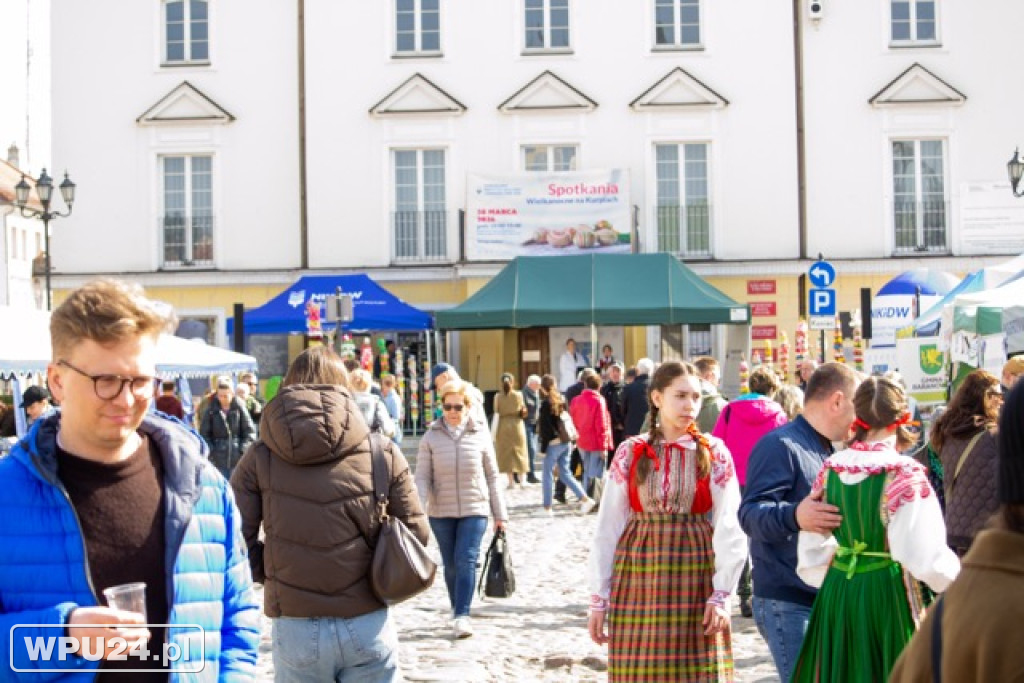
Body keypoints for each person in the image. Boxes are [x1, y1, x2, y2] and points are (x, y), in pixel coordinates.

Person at [0, 279, 259, 677]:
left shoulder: (202, 486)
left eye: (140, 381)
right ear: (56, 381)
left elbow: (237, 626)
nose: (125, 399)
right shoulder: (7, 493)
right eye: (105, 381)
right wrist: (62, 635)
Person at [231, 346, 428, 682]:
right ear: (344, 385)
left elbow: (234, 537)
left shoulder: (260, 455)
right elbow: (416, 532)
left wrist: (273, 571)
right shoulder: (381, 451)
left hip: (295, 620)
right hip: (367, 616)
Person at [789, 376, 960, 682]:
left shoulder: (832, 468)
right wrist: (957, 583)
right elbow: (924, 556)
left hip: (839, 588)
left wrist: (828, 572)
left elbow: (814, 542)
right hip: (887, 591)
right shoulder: (904, 473)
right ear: (899, 420)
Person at [587, 360, 746, 681]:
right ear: (658, 398)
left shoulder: (714, 451)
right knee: (641, 671)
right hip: (638, 577)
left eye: (697, 397)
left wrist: (722, 593)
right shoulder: (631, 452)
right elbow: (608, 527)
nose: (690, 405)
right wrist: (599, 598)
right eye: (681, 395)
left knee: (696, 670)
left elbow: (730, 523)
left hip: (695, 575)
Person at [890, 379, 1024, 682]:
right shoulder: (988, 436)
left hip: (961, 535)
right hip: (977, 531)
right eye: (994, 395)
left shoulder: (946, 434)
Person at [738, 362, 860, 681]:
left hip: (818, 597)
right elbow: (749, 514)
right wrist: (795, 516)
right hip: (786, 600)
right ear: (836, 401)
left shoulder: (824, 448)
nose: (858, 419)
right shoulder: (780, 445)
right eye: (855, 407)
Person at [415, 379, 508, 639]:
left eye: (458, 406)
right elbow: (422, 477)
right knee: (451, 564)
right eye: (448, 406)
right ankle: (457, 607)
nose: (453, 411)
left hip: (474, 508)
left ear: (468, 406)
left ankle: (462, 615)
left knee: (466, 558)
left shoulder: (480, 434)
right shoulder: (430, 437)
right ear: (441, 407)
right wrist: (418, 511)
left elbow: (492, 476)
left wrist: (500, 514)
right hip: (441, 512)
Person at [712, 366, 788, 618]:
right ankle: (759, 591)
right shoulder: (777, 413)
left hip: (734, 479)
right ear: (773, 389)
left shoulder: (730, 410)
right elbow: (783, 445)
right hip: (765, 479)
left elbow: (716, 444)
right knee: (761, 533)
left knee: (737, 534)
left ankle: (743, 592)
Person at [929, 369, 1002, 557]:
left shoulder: (947, 433)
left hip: (955, 528)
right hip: (985, 528)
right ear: (984, 397)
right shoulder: (993, 435)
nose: (1001, 400)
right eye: (997, 395)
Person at [538, 374, 595, 515]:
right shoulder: (561, 399)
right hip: (566, 441)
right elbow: (568, 420)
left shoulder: (546, 403)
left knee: (547, 474)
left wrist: (543, 448)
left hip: (553, 443)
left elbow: (546, 428)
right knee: (564, 473)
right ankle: (585, 498)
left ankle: (547, 507)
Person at [199, 377, 257, 479]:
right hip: (218, 461)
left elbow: (250, 432)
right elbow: (204, 434)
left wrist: (242, 450)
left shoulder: (240, 409)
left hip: (237, 460)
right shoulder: (211, 410)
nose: (222, 399)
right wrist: (212, 452)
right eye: (220, 396)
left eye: (225, 396)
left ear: (232, 394)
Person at [569, 370, 613, 495]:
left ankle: (585, 497)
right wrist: (604, 446)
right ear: (599, 386)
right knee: (596, 472)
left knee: (587, 470)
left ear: (585, 385)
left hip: (581, 440)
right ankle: (594, 498)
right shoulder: (599, 400)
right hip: (596, 441)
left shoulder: (576, 400)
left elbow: (573, 421)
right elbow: (602, 425)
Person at [493, 372, 529, 487]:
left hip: (503, 425)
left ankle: (511, 482)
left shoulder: (497, 396)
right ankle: (522, 480)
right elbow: (522, 409)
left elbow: (496, 410)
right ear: (513, 382)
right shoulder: (518, 395)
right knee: (520, 452)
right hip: (517, 424)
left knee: (506, 453)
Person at [430, 362, 488, 430]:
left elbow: (468, 426)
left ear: (444, 377)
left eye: (436, 385)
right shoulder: (468, 391)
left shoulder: (466, 393)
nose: (438, 390)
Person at [350, 368, 396, 439]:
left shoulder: (347, 402)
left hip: (351, 444)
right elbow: (389, 430)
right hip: (372, 444)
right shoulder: (376, 403)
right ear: (369, 385)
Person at [620, 357, 654, 437]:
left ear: (637, 371)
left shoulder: (629, 388)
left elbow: (623, 410)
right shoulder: (657, 387)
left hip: (632, 430)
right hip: (652, 430)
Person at [695, 356, 728, 433]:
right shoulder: (723, 406)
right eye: (718, 380)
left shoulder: (679, 402)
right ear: (710, 376)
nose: (718, 384)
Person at [600, 363, 626, 450]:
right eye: (613, 371)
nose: (615, 374)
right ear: (609, 374)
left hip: (623, 429)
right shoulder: (605, 389)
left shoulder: (626, 388)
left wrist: (621, 422)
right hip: (609, 428)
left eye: (618, 371)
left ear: (622, 373)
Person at [522, 374, 542, 484]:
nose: (539, 386)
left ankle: (530, 473)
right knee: (530, 449)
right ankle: (530, 474)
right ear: (532, 384)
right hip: (527, 424)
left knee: (532, 450)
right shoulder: (524, 394)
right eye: (538, 385)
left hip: (534, 425)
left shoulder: (536, 393)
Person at [380, 373, 404, 445]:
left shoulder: (393, 398)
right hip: (391, 430)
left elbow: (396, 416)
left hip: (393, 430)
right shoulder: (388, 397)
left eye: (383, 384)